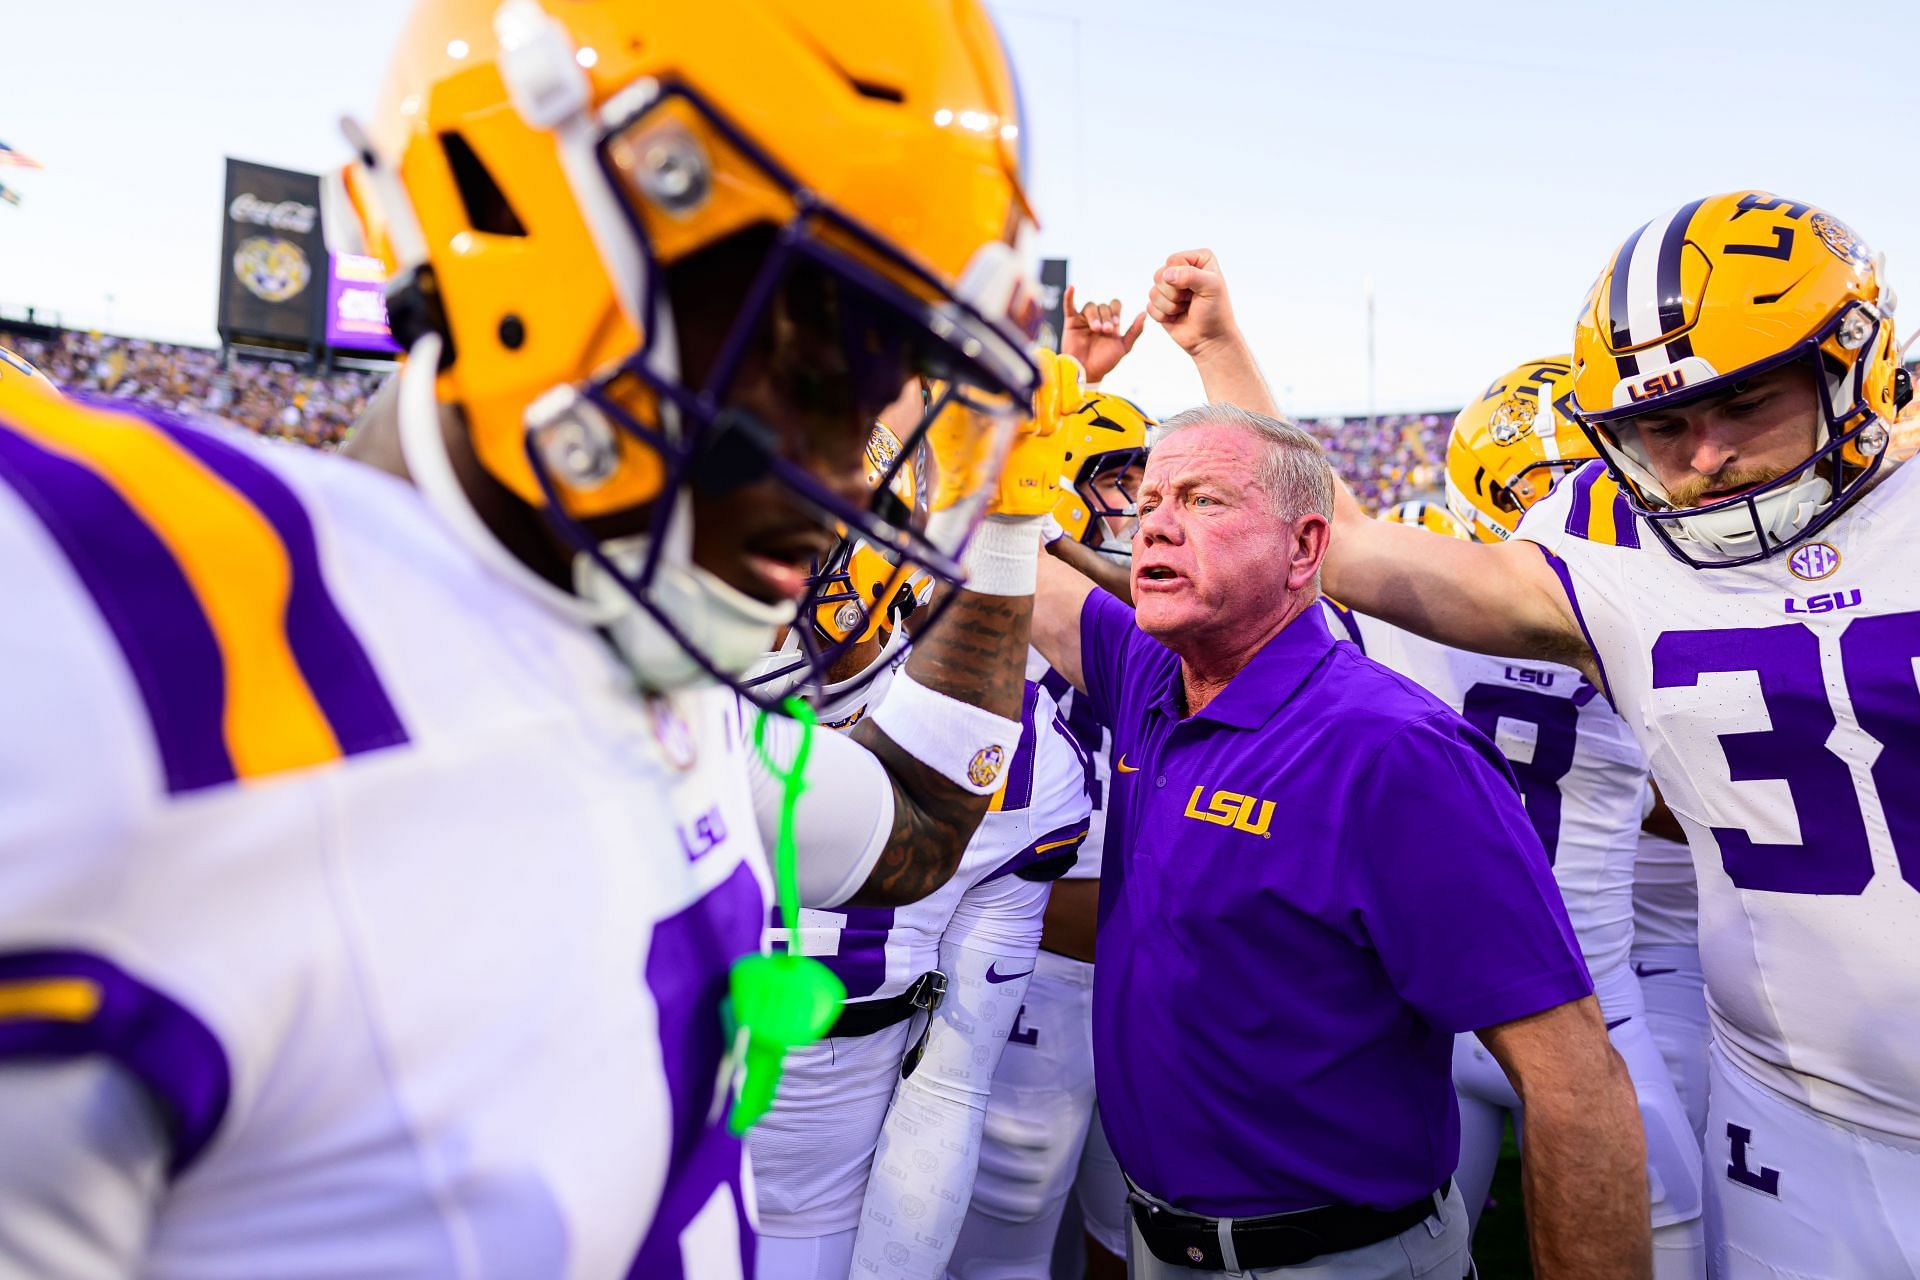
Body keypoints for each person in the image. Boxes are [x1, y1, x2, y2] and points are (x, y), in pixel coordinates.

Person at [0, 3, 1060, 1277]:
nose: (842, 468)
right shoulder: (115, 630)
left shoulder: (665, 682)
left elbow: (924, 826)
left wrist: (1005, 532)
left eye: (891, 386)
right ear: (538, 236)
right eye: (809, 353)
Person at [1159, 191, 1920, 1278]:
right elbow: (1342, 547)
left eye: (1746, 400)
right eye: (1663, 424)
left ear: (1850, 359)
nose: (1704, 456)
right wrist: (1223, 351)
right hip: (1789, 1110)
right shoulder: (1619, 568)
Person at [1030, 401, 1650, 1278]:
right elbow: (1010, 565)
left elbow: (1577, 1084)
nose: (1157, 523)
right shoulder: (1152, 675)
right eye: (1153, 497)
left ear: (1306, 548)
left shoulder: (1396, 752)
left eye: (1204, 500)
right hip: (1161, 1243)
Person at [1359, 364, 1706, 1277]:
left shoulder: (1407, 605)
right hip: (1579, 996)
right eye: (1547, 485)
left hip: (1444, 998)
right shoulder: (1640, 618)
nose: (1572, 508)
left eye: (1588, 480)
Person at [750, 405, 1092, 1280]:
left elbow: (949, 1083)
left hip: (819, 1194)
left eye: (773, 550)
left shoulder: (1013, 754)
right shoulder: (650, 703)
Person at [952, 364, 1154, 1280]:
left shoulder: (1163, 614)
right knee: (1014, 1221)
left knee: (1135, 1220)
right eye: (1118, 480)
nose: (1140, 506)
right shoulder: (979, 625)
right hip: (1034, 964)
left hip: (1142, 966)